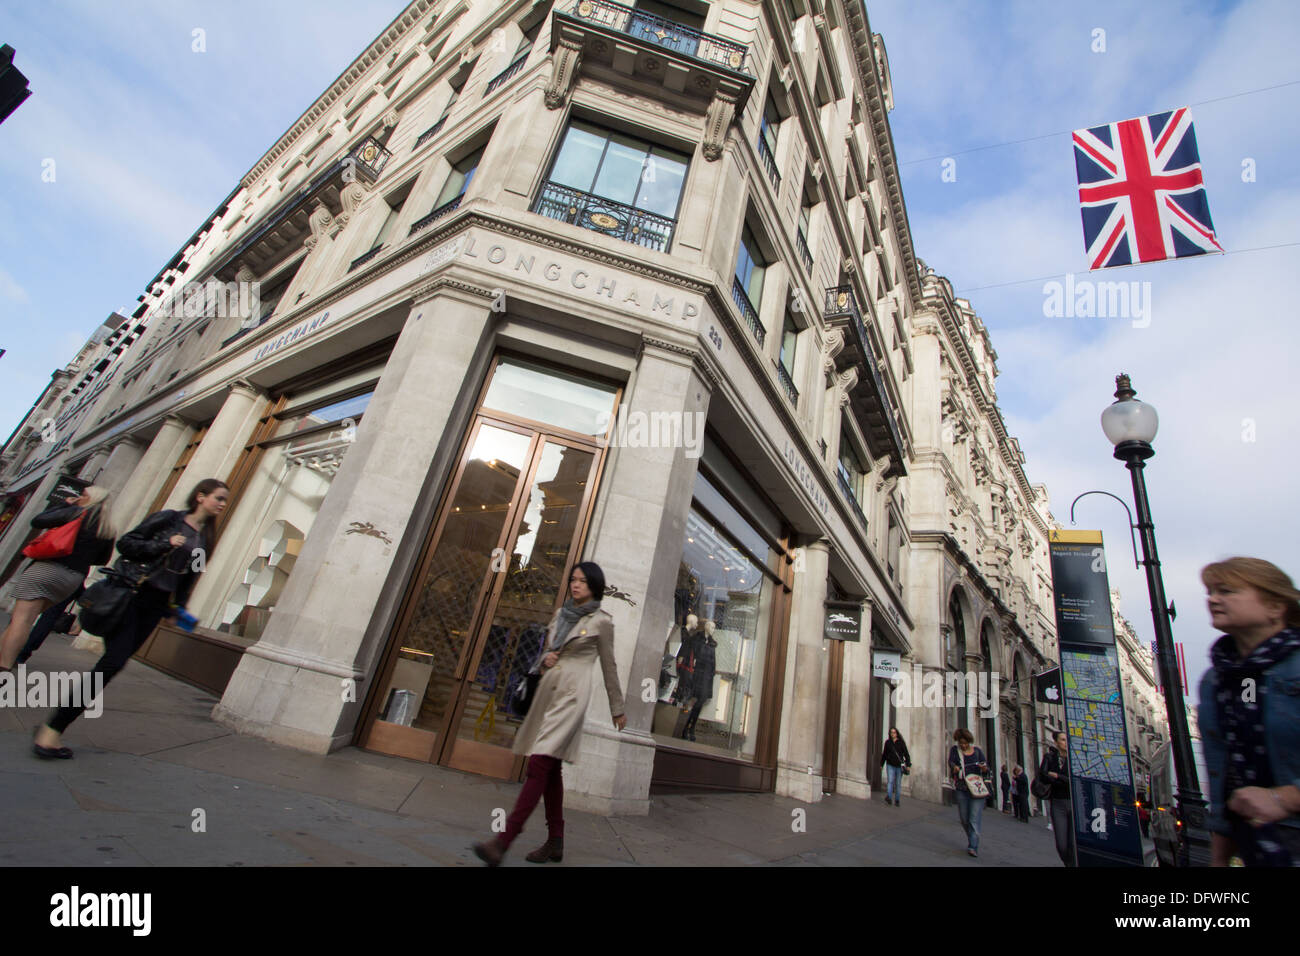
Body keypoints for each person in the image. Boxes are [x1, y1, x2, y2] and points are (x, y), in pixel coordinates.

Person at [31, 479, 228, 759]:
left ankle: (53, 727)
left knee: (111, 665)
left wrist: (177, 609)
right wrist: (164, 543)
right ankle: (52, 730)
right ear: (200, 496)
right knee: (111, 663)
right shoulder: (170, 520)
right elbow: (127, 543)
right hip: (132, 596)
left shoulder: (205, 539)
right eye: (218, 498)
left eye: (224, 500)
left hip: (156, 606)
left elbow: (189, 577)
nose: (222, 504)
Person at [474, 561, 625, 866]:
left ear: (595, 586)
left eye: (583, 581)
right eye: (573, 579)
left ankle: (503, 841)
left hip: (572, 697)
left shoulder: (601, 622)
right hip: (548, 692)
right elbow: (548, 651)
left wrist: (617, 708)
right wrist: (546, 658)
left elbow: (609, 665)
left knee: (539, 764)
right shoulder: (560, 614)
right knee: (551, 768)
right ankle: (555, 841)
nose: (576, 584)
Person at [1197, 557, 1300, 867]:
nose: (1213, 599)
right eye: (1211, 592)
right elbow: (1226, 779)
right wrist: (1219, 860)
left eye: (1227, 591)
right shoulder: (1219, 680)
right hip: (1259, 849)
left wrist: (1285, 799)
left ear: (1275, 607)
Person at [0, 487, 118, 672]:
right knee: (23, 620)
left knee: (21, 620)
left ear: (91, 499)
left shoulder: (76, 512)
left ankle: (4, 667)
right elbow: (101, 559)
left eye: (83, 494)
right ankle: (4, 658)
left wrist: (64, 504)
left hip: (47, 569)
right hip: (72, 579)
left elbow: (38, 520)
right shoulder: (107, 527)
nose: (79, 497)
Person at [949, 728, 990, 858]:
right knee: (964, 819)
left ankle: (973, 846)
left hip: (977, 789)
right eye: (961, 743)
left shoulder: (977, 752)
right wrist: (954, 767)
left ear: (969, 741)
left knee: (974, 819)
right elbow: (951, 763)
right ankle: (972, 837)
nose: (963, 745)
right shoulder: (955, 751)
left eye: (965, 743)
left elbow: (986, 768)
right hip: (962, 788)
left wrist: (984, 768)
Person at [1040, 730, 1074, 865]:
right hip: (1057, 803)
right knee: (1061, 845)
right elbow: (1043, 776)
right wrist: (1063, 780)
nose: (1066, 743)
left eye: (1067, 740)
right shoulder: (1050, 757)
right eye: (1063, 740)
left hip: (1074, 803)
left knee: (1072, 844)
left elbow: (1074, 782)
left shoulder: (1074, 759)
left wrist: (1058, 776)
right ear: (1056, 742)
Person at [880, 727, 911, 806]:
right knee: (890, 781)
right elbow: (884, 754)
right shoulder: (888, 743)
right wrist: (881, 764)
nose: (893, 734)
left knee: (898, 783)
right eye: (891, 732)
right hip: (890, 764)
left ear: (897, 733)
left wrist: (908, 765)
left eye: (894, 732)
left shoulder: (901, 743)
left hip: (899, 766)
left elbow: (906, 754)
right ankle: (889, 797)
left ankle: (897, 800)